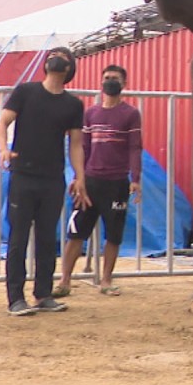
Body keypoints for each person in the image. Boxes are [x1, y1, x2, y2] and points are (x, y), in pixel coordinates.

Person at [0, 46, 89, 316]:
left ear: (69, 68)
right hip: (23, 175)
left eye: (62, 57)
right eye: (52, 56)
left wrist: (80, 177)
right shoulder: (26, 91)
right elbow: (3, 122)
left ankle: (43, 294)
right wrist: (3, 148)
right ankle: (15, 298)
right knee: (18, 238)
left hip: (52, 179)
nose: (55, 59)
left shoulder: (73, 104)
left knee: (47, 238)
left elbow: (76, 144)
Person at [54, 64, 143, 298]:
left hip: (117, 183)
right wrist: (78, 177)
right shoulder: (90, 114)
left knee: (113, 235)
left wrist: (135, 179)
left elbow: (135, 147)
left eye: (115, 78)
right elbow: (82, 147)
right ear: (100, 82)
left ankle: (106, 281)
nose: (110, 81)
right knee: (76, 233)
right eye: (106, 77)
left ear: (124, 84)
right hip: (90, 183)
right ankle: (64, 281)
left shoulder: (131, 114)